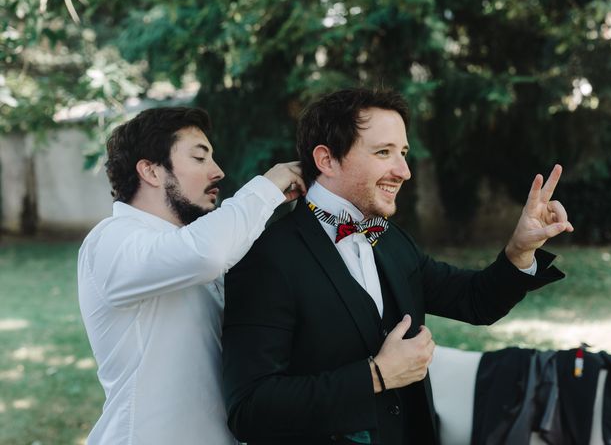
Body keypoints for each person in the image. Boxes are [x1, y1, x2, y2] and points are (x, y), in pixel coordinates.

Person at [222, 88, 572, 445]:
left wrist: (520, 249)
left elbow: (474, 300)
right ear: (326, 160)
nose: (404, 171)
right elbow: (250, 409)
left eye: (402, 153)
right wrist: (377, 375)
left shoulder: (391, 239)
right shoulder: (267, 259)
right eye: (383, 152)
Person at [77, 106, 305, 445]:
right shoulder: (110, 240)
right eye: (200, 158)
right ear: (151, 172)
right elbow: (207, 254)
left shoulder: (190, 244)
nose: (218, 172)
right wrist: (268, 187)